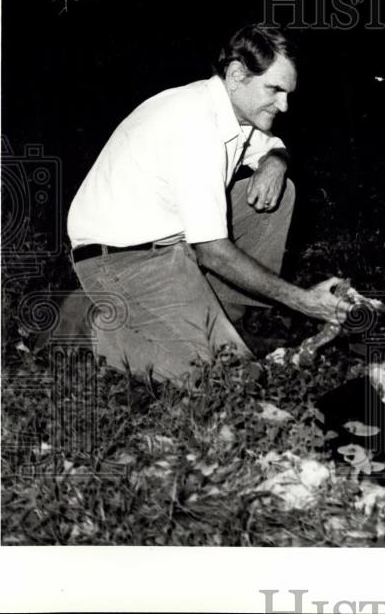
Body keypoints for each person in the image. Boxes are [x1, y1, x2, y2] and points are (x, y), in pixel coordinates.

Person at [66, 24, 350, 385]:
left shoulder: (231, 110)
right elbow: (213, 252)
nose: (284, 105)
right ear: (236, 75)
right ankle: (97, 331)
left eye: (288, 92)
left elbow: (270, 145)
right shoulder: (195, 126)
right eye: (275, 90)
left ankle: (228, 317)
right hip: (122, 259)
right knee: (232, 378)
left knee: (283, 192)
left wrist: (276, 161)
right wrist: (304, 300)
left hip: (170, 241)